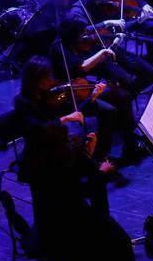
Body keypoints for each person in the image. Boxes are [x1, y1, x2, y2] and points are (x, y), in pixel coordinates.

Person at [23, 121, 138, 261]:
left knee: (105, 227)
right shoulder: (58, 167)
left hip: (49, 221)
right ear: (56, 147)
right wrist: (102, 170)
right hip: (66, 228)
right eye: (64, 140)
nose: (69, 142)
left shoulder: (36, 160)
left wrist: (86, 157)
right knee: (119, 239)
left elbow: (72, 187)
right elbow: (85, 190)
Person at [50, 14, 148, 163]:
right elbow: (81, 66)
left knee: (123, 95)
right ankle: (104, 154)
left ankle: (127, 145)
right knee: (115, 104)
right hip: (68, 95)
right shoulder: (60, 48)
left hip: (84, 86)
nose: (85, 36)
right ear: (72, 35)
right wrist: (102, 52)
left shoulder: (75, 43)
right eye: (82, 34)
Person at [73, 0, 153, 92]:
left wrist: (139, 20)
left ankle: (128, 97)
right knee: (126, 81)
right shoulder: (78, 11)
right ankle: (124, 98)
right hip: (94, 56)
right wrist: (106, 23)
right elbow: (81, 34)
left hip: (112, 49)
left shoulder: (104, 5)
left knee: (150, 73)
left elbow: (120, 26)